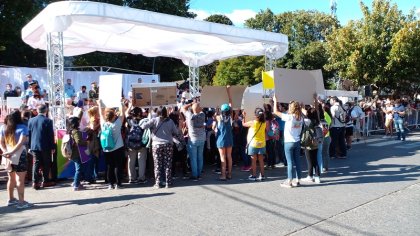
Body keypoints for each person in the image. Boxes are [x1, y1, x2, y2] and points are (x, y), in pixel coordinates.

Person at [0, 110, 33, 209]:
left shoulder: (3, 127)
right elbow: (20, 143)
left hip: (7, 155)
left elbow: (1, 142)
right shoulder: (23, 127)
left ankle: (11, 199)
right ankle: (21, 202)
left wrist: (6, 152)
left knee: (11, 178)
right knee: (20, 180)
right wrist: (11, 152)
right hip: (19, 155)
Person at [141, 106, 180, 188]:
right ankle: (168, 182)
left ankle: (158, 183)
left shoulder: (154, 120)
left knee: (157, 164)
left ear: (157, 112)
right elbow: (176, 132)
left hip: (156, 144)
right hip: (168, 144)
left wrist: (149, 118)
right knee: (167, 164)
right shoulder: (170, 121)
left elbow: (143, 126)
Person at [273, 97, 304, 188]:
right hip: (297, 141)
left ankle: (289, 181)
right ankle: (298, 180)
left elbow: (275, 111)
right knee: (297, 161)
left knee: (290, 162)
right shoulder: (300, 117)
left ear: (292, 108)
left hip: (289, 142)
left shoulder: (289, 117)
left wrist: (275, 101)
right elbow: (300, 112)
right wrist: (301, 106)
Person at [98, 99, 126, 189]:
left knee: (109, 166)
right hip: (117, 147)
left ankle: (110, 183)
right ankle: (118, 183)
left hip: (106, 148)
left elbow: (101, 114)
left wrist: (100, 104)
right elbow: (122, 114)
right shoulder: (117, 124)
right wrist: (121, 103)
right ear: (114, 117)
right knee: (118, 165)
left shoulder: (104, 124)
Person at [28, 104, 55, 190]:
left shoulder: (31, 120)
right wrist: (52, 146)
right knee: (46, 163)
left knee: (36, 163)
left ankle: (35, 182)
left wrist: (29, 146)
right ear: (46, 111)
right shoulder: (48, 121)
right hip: (45, 145)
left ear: (37, 110)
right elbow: (51, 135)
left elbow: (29, 134)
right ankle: (45, 181)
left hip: (34, 145)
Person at [182, 101, 206, 181]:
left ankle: (195, 175)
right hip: (202, 138)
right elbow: (200, 109)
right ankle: (199, 174)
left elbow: (183, 108)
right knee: (200, 157)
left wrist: (191, 103)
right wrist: (197, 105)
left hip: (193, 139)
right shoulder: (202, 115)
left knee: (193, 158)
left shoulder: (190, 116)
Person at [125, 103, 149, 184]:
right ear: (140, 113)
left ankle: (132, 178)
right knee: (141, 161)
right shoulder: (144, 120)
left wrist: (130, 105)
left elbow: (126, 114)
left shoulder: (129, 120)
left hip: (131, 144)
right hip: (141, 143)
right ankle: (141, 178)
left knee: (131, 161)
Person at [242, 108, 266, 181]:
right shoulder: (264, 122)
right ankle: (262, 175)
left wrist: (244, 116)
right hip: (262, 143)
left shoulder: (253, 122)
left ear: (255, 115)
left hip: (253, 144)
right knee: (261, 160)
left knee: (253, 161)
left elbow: (243, 124)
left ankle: (254, 175)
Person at [66, 116, 88, 191]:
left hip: (72, 153)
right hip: (77, 153)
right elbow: (78, 141)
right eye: (78, 122)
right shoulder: (75, 131)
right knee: (78, 169)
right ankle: (76, 185)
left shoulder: (69, 131)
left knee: (77, 169)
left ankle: (77, 182)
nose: (79, 123)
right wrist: (86, 142)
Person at [302, 108, 323, 184]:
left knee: (309, 161)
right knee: (315, 160)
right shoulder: (317, 122)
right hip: (316, 143)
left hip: (308, 143)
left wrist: (301, 106)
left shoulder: (307, 121)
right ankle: (317, 176)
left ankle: (310, 176)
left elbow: (303, 114)